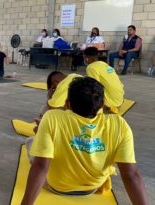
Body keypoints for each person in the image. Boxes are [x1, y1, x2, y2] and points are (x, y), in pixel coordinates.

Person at [21, 77, 148, 205]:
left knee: (31, 141)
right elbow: (131, 175)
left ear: (67, 104)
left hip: (57, 187)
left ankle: (39, 138)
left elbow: (41, 166)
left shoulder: (52, 118)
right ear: (102, 104)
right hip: (92, 188)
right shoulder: (119, 124)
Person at [84, 47, 124, 113]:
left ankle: (104, 106)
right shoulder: (104, 64)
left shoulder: (90, 67)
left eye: (85, 57)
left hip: (111, 104)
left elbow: (94, 87)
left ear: (87, 58)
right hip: (119, 99)